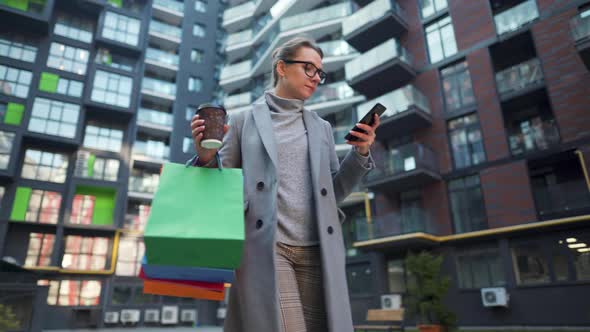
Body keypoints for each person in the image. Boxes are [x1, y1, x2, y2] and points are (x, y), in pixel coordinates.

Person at [188, 36, 380, 332]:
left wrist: (361, 152)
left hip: (318, 249)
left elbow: (334, 192)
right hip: (267, 248)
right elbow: (220, 186)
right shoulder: (242, 121)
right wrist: (204, 156)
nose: (316, 78)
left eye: (320, 72)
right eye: (308, 68)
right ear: (281, 68)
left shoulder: (322, 128)